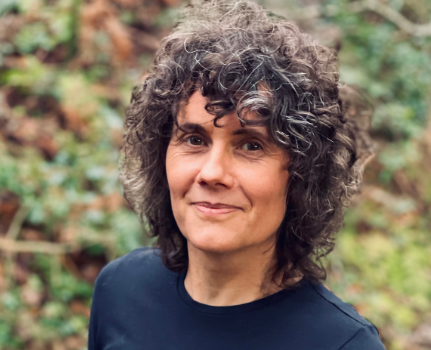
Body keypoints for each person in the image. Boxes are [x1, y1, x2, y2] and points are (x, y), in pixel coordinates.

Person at [88, 0, 384, 349]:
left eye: (251, 146)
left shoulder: (341, 343)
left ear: (304, 175)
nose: (212, 173)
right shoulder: (122, 289)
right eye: (194, 139)